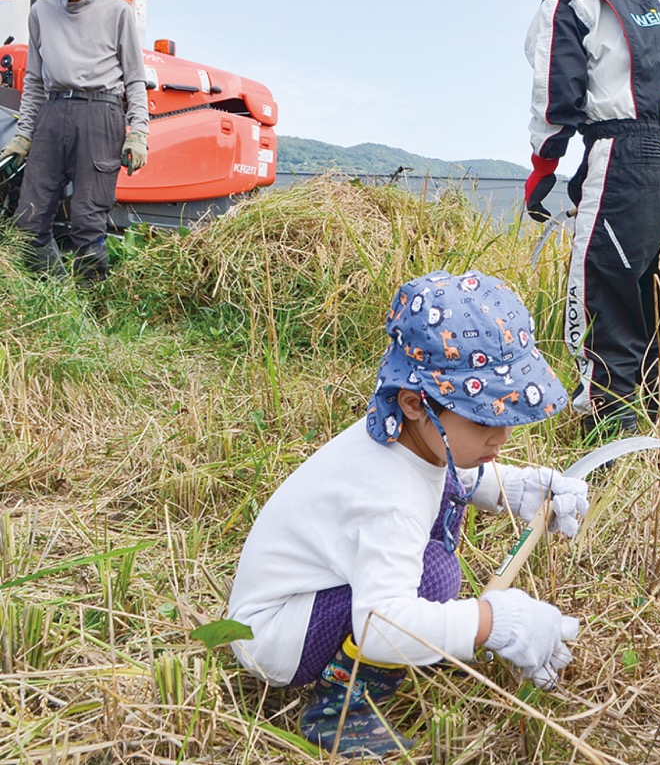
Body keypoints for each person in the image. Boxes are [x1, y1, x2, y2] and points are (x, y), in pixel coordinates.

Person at [227, 270, 590, 756]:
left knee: (433, 571)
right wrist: (495, 622)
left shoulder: (402, 432)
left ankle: (417, 644)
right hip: (276, 637)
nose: (501, 435)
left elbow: (442, 475)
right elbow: (382, 626)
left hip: (297, 603)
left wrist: (518, 490)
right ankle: (340, 713)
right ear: (417, 403)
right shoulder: (389, 497)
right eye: (483, 416)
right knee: (431, 580)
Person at [520, 0, 660, 453]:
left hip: (626, 159)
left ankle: (614, 456)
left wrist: (543, 170)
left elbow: (554, 98)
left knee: (605, 305)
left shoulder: (568, 1)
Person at [0, 0, 149, 282]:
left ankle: (92, 301)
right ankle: (57, 294)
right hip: (52, 115)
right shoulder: (41, 14)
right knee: (29, 220)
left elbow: (135, 79)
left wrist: (138, 133)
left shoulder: (118, 13)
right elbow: (34, 81)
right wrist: (23, 136)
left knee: (86, 220)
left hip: (101, 115)